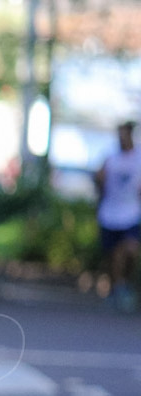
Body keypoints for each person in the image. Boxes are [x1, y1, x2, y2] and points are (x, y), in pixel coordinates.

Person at [94, 120, 141, 313]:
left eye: (124, 134)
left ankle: (122, 285)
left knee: (129, 250)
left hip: (131, 213)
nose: (121, 138)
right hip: (110, 214)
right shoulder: (110, 159)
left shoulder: (138, 158)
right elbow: (99, 181)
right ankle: (117, 288)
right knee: (113, 256)